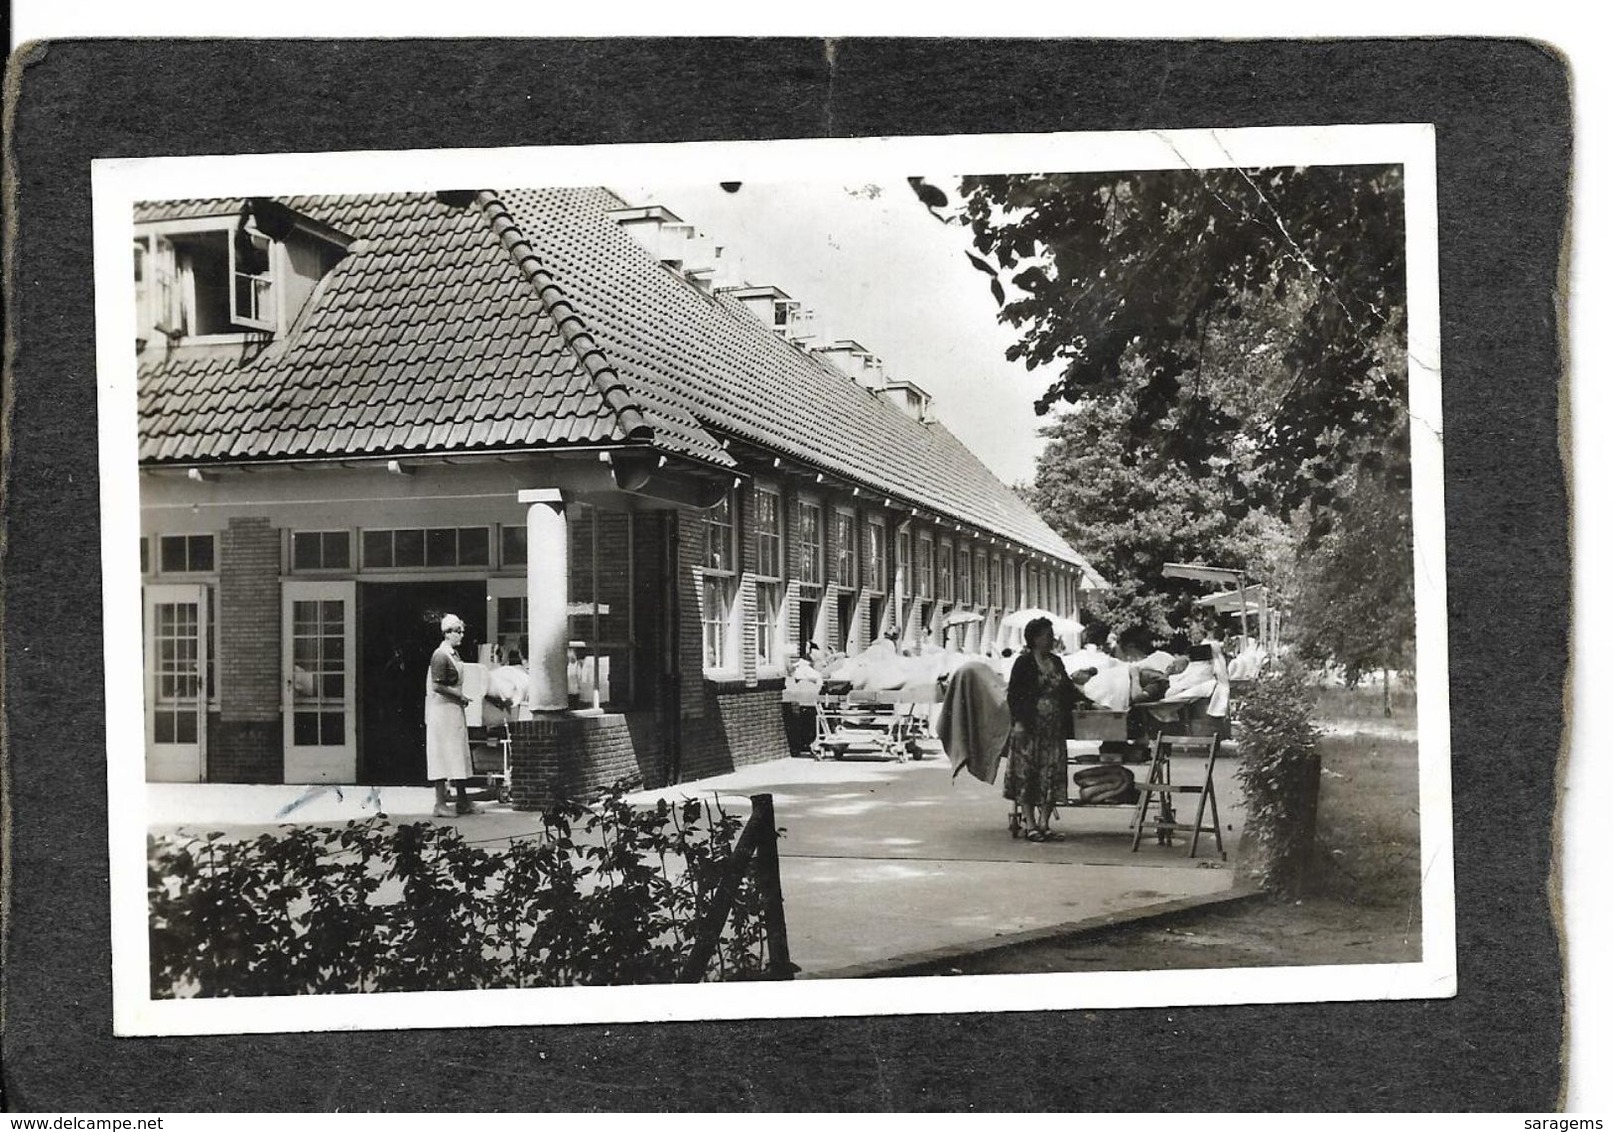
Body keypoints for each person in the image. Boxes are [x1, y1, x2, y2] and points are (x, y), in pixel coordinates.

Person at [1004, 616, 1077, 842]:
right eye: (1048, 635)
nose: (1052, 639)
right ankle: (1030, 823)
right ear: (1035, 639)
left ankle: (1045, 823)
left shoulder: (1056, 662)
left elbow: (1068, 689)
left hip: (1053, 730)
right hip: (1029, 728)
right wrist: (1018, 722)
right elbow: (1014, 695)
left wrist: (1090, 702)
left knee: (1052, 773)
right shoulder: (1023, 663)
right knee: (1028, 773)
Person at [425, 613, 481, 818]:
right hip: (442, 712)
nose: (462, 635)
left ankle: (463, 801)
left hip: (454, 710)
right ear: (447, 633)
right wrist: (460, 695)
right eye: (458, 631)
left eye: (462, 631)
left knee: (459, 754)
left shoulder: (454, 654)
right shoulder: (440, 655)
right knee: (441, 755)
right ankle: (439, 803)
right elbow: (437, 685)